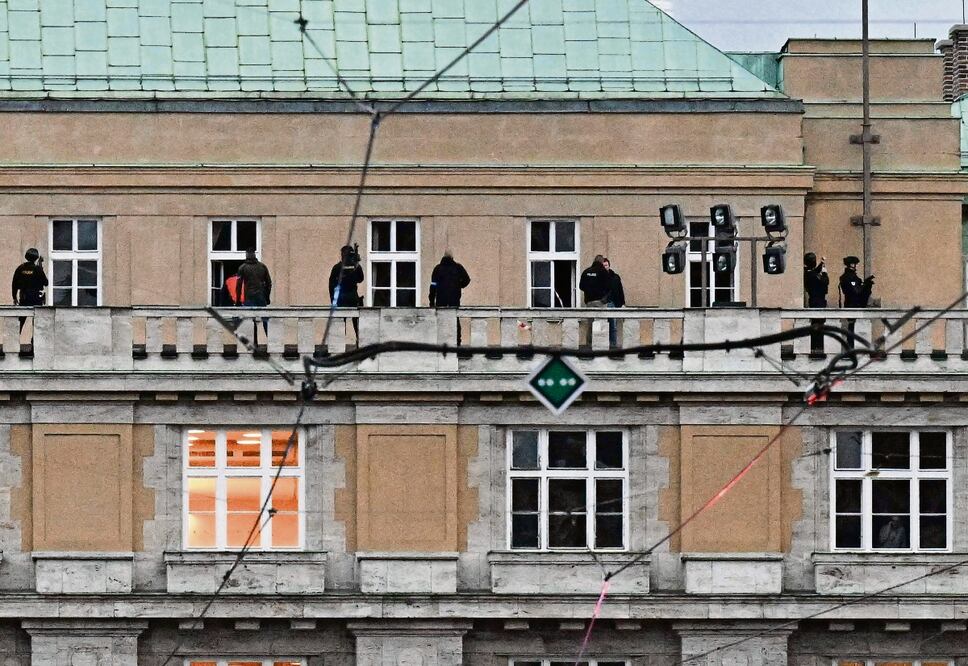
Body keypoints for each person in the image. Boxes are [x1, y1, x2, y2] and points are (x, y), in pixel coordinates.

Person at [429, 251, 470, 345]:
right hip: (454, 299)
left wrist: (431, 301)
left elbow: (433, 286)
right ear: (452, 257)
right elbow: (467, 280)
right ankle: (457, 344)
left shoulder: (438, 269)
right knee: (455, 321)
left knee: (441, 322)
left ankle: (441, 344)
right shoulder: (458, 267)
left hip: (441, 300)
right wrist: (459, 285)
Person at [328, 245, 365, 340]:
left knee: (355, 324)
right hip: (344, 297)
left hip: (348, 297)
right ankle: (343, 344)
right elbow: (332, 285)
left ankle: (358, 342)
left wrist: (356, 265)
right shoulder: (338, 267)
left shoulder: (345, 267)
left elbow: (360, 279)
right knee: (341, 324)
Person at [839, 255, 874, 348]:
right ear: (851, 264)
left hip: (853, 304)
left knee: (854, 326)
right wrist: (866, 284)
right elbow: (856, 291)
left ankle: (852, 345)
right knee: (853, 326)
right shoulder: (848, 277)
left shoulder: (850, 276)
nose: (855, 266)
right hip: (853, 304)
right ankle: (851, 346)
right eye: (854, 264)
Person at [236, 248, 272, 338]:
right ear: (254, 254)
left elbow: (239, 286)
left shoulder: (242, 268)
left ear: (246, 255)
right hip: (261, 296)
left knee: (250, 321)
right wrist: (267, 297)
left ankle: (254, 343)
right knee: (265, 320)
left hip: (249, 297)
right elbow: (269, 283)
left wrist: (238, 301)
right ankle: (272, 342)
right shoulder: (262, 266)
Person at [11, 247, 48, 335]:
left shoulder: (20, 268)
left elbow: (14, 284)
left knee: (21, 321)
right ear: (36, 257)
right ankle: (34, 343)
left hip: (24, 297)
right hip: (36, 298)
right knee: (36, 323)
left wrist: (14, 297)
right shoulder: (38, 269)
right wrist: (40, 268)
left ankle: (15, 341)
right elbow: (46, 283)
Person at [578, 255, 611, 346]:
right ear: (601, 262)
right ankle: (601, 345)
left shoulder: (586, 271)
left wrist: (589, 291)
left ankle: (589, 345)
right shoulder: (604, 272)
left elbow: (581, 286)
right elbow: (609, 287)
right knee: (601, 324)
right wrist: (604, 298)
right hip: (601, 302)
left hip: (589, 302)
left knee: (590, 324)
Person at [804, 252, 829, 353]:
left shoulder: (807, 272)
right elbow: (825, 281)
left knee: (815, 324)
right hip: (818, 302)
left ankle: (816, 346)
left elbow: (814, 271)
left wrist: (821, 263)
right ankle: (817, 347)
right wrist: (825, 273)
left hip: (813, 301)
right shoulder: (812, 275)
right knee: (819, 325)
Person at [603, 258, 625, 349]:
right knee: (602, 326)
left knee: (613, 325)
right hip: (603, 304)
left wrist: (622, 303)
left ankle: (613, 345)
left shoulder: (615, 277)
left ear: (609, 266)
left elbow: (620, 290)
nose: (605, 267)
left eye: (606, 265)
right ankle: (604, 345)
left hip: (612, 303)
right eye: (603, 266)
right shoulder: (599, 277)